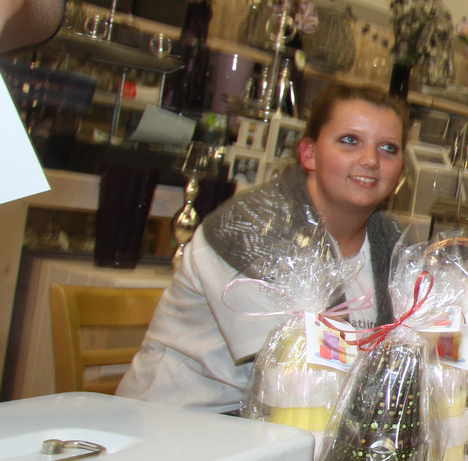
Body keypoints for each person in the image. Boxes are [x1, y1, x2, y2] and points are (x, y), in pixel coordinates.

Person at [118, 84, 408, 412]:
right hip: (179, 421)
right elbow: (300, 374)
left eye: (388, 148)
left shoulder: (393, 242)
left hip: (297, 429)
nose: (370, 160)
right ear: (309, 153)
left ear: (401, 169)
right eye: (349, 140)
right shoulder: (248, 230)